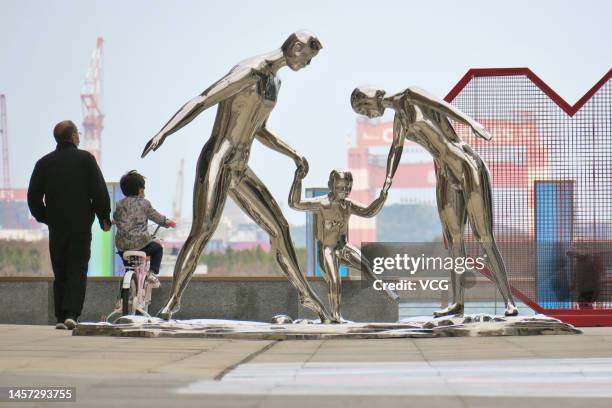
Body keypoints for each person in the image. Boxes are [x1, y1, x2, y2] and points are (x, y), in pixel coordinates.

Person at [141, 31, 333, 322]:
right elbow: (203, 99)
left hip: (241, 166)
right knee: (203, 230)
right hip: (218, 159)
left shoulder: (275, 83)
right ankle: (172, 303)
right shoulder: (249, 71)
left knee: (280, 228)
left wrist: (294, 154)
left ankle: (307, 296)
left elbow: (259, 129)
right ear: (295, 48)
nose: (307, 65)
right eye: (307, 59)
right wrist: (164, 132)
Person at [351, 86, 519, 317]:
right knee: (455, 241)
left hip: (465, 165)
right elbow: (395, 151)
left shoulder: (410, 95)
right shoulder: (399, 120)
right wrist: (387, 184)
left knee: (484, 238)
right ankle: (457, 302)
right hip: (445, 176)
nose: (367, 116)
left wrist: (472, 123)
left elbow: (442, 106)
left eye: (363, 109)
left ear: (370, 98)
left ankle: (509, 302)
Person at [27, 120, 111, 330]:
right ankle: (71, 314)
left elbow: (33, 197)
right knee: (77, 268)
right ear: (74, 136)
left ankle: (60, 316)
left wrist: (45, 217)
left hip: (57, 225)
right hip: (81, 225)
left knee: (61, 269)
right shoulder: (86, 160)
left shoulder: (44, 163)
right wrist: (104, 218)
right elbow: (99, 191)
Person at [289, 167, 398, 322]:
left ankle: (386, 291)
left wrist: (382, 197)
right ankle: (335, 315)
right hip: (327, 250)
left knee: (365, 265)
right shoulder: (321, 204)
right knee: (335, 280)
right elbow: (295, 203)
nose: (344, 192)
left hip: (343, 247)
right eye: (340, 188)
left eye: (347, 188)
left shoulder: (347, 205)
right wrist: (297, 179)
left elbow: (368, 212)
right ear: (331, 186)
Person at [114, 170, 177, 286]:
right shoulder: (145, 203)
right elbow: (155, 216)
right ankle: (153, 274)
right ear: (141, 190)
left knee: (130, 267)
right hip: (141, 245)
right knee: (158, 248)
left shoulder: (119, 204)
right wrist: (167, 222)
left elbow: (116, 217)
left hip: (122, 247)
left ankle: (128, 288)